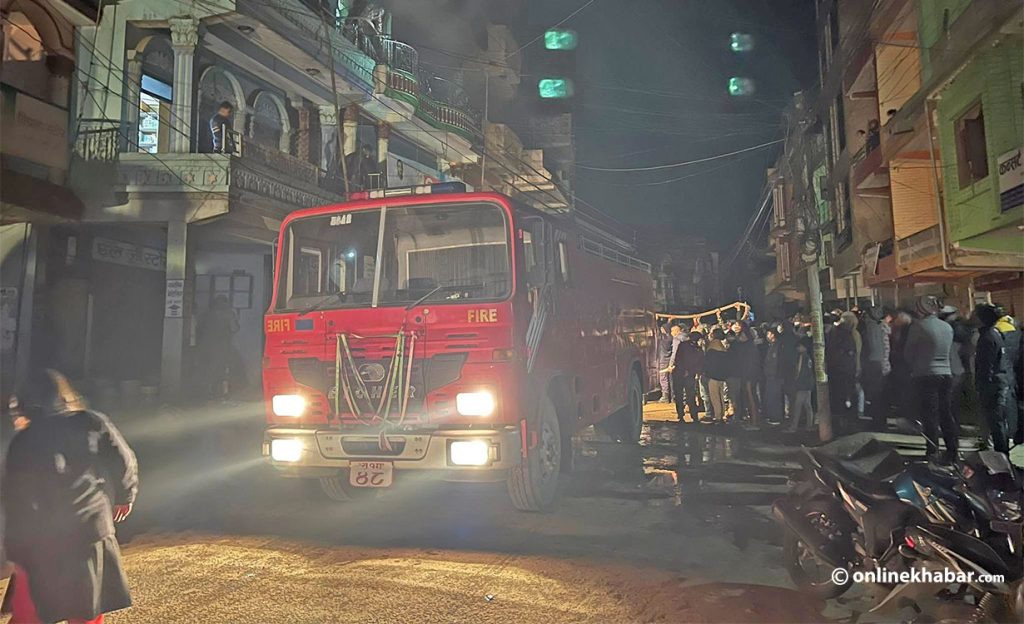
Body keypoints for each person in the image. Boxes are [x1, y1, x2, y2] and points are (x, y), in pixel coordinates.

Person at [1, 369, 138, 624]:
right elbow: (123, 460)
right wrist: (125, 496)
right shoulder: (92, 422)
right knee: (86, 610)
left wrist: (17, 550)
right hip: (91, 531)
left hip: (45, 541)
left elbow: (17, 500)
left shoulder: (25, 441)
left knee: (31, 615)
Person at [905, 295, 957, 460]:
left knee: (930, 414)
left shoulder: (918, 327)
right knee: (946, 413)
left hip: (925, 374)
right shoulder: (947, 327)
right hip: (947, 373)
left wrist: (915, 366)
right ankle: (952, 450)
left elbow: (909, 352)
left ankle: (933, 450)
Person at [974, 304, 1012, 454]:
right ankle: (1000, 451)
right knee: (997, 420)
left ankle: (1001, 454)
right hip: (999, 381)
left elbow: (985, 365)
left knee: (995, 420)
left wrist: (982, 386)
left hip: (992, 384)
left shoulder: (987, 338)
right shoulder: (995, 333)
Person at [197, 295, 241, 399]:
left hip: (206, 346)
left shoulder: (207, 314)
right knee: (224, 369)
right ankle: (224, 393)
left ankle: (208, 392)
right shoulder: (229, 314)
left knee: (208, 369)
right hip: (223, 346)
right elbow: (235, 328)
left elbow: (199, 328)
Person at [826, 310, 861, 432]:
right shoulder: (849, 334)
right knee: (848, 395)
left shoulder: (834, 332)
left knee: (839, 397)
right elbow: (853, 353)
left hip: (836, 370)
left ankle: (841, 423)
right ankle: (848, 422)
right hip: (845, 370)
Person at [861, 305, 891, 430]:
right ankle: (880, 420)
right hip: (884, 364)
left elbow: (872, 348)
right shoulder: (883, 327)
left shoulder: (872, 328)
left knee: (875, 395)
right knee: (880, 395)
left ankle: (878, 421)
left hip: (875, 363)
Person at [994, 312, 1022, 446]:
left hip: (1008, 374)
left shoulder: (996, 331)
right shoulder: (1017, 332)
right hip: (1014, 373)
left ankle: (1012, 435)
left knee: (1009, 407)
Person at [731, 322, 762, 428]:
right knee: (748, 398)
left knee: (751, 397)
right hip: (745, 374)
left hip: (749, 375)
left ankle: (754, 421)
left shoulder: (749, 346)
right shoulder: (744, 346)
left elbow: (751, 362)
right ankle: (751, 419)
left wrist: (749, 375)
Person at [673, 330, 705, 422]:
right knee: (689, 396)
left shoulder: (683, 345)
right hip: (686, 374)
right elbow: (698, 362)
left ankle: (682, 415)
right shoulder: (697, 349)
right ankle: (693, 416)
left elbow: (677, 358)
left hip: (681, 373)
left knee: (680, 395)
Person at [788, 337, 816, 432]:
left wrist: (797, 381)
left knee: (798, 405)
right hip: (808, 384)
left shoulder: (803, 357)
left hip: (803, 385)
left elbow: (800, 372)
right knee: (807, 405)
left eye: (799, 346)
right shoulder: (807, 357)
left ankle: (794, 426)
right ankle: (809, 425)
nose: (798, 348)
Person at [703, 328, 730, 423]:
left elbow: (708, 362)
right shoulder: (722, 346)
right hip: (722, 375)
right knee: (721, 395)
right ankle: (722, 414)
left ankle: (718, 416)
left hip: (713, 375)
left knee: (714, 396)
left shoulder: (712, 347)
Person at [762, 326, 784, 424]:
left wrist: (774, 373)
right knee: (770, 396)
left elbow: (775, 362)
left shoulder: (776, 346)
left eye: (768, 334)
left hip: (774, 376)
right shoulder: (771, 346)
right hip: (770, 375)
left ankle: (776, 417)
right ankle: (772, 415)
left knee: (774, 396)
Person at [657, 323, 673, 403]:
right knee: (669, 378)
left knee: (663, 378)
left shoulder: (663, 338)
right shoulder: (671, 337)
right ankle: (672, 396)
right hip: (669, 359)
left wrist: (656, 322)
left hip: (662, 360)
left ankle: (665, 396)